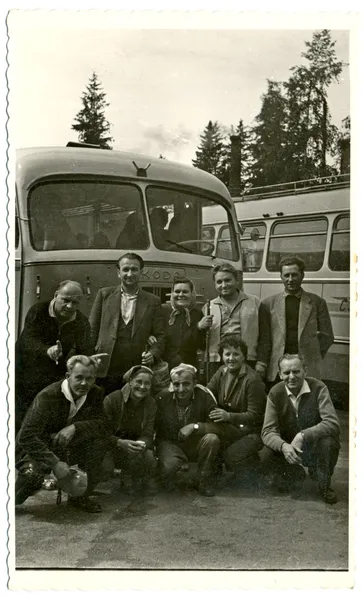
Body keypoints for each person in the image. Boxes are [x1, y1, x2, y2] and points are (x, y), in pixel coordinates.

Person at [15, 355, 109, 513]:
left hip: (67, 446)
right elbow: (26, 436)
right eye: (79, 377)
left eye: (89, 378)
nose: (84, 383)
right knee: (30, 478)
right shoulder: (47, 396)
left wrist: (75, 427)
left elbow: (105, 425)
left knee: (99, 443)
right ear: (68, 376)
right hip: (38, 449)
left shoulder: (95, 393)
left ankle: (80, 496)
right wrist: (54, 463)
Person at [15, 280, 94, 433]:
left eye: (75, 302)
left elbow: (85, 348)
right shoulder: (38, 310)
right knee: (22, 419)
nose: (70, 306)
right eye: (66, 300)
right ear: (56, 295)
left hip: (52, 374)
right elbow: (27, 341)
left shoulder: (81, 321)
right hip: (25, 370)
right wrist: (47, 350)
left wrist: (90, 360)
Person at [260, 354, 340, 504]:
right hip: (290, 447)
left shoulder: (319, 388)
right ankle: (292, 473)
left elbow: (332, 422)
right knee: (266, 453)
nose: (291, 377)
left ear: (305, 371)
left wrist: (303, 435)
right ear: (279, 374)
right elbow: (267, 431)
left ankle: (324, 485)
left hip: (313, 444)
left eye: (296, 371)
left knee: (329, 443)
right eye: (286, 373)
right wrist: (283, 446)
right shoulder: (275, 393)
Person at [89, 253, 165, 395]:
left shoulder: (153, 301)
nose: (129, 274)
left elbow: (160, 336)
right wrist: (90, 358)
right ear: (118, 273)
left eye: (134, 269)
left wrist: (153, 354)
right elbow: (91, 330)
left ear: (141, 272)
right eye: (125, 269)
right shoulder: (104, 294)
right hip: (106, 364)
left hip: (135, 366)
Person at [262, 255, 334, 385]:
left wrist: (313, 356)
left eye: (294, 275)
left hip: (306, 367)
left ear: (302, 275)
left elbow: (327, 336)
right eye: (286, 275)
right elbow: (264, 338)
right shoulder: (268, 303)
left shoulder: (317, 303)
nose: (290, 279)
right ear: (281, 277)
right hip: (278, 368)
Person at [155, 364, 220, 497]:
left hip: (195, 442)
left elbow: (220, 427)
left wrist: (194, 426)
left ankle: (204, 480)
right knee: (169, 468)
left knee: (212, 439)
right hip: (171, 442)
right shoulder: (163, 397)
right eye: (176, 384)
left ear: (195, 383)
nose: (181, 389)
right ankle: (171, 477)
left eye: (186, 384)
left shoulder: (205, 396)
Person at [206, 335, 266, 477]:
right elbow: (208, 393)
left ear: (244, 356)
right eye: (227, 354)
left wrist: (228, 416)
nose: (231, 358)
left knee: (230, 455)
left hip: (250, 430)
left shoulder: (252, 380)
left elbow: (254, 415)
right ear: (222, 356)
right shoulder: (222, 371)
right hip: (230, 427)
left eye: (236, 354)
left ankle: (253, 470)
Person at [198, 262, 271, 379]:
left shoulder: (255, 303)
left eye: (227, 280)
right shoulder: (208, 307)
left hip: (248, 361)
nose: (223, 285)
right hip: (217, 363)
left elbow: (265, 336)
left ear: (237, 280)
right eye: (219, 282)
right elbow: (201, 342)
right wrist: (200, 327)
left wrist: (261, 363)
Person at [103, 365, 157, 496]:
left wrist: (141, 444)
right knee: (105, 469)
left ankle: (130, 477)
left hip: (133, 447)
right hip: (111, 445)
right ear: (130, 381)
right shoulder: (112, 399)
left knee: (149, 457)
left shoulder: (151, 403)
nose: (143, 387)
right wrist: (119, 442)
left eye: (147, 383)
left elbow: (148, 433)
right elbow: (102, 433)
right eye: (139, 382)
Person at [162, 276, 204, 370]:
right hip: (165, 366)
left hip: (189, 365)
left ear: (192, 293)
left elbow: (200, 344)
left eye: (185, 291)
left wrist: (198, 327)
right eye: (177, 291)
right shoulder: (163, 310)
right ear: (172, 293)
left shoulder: (197, 314)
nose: (181, 294)